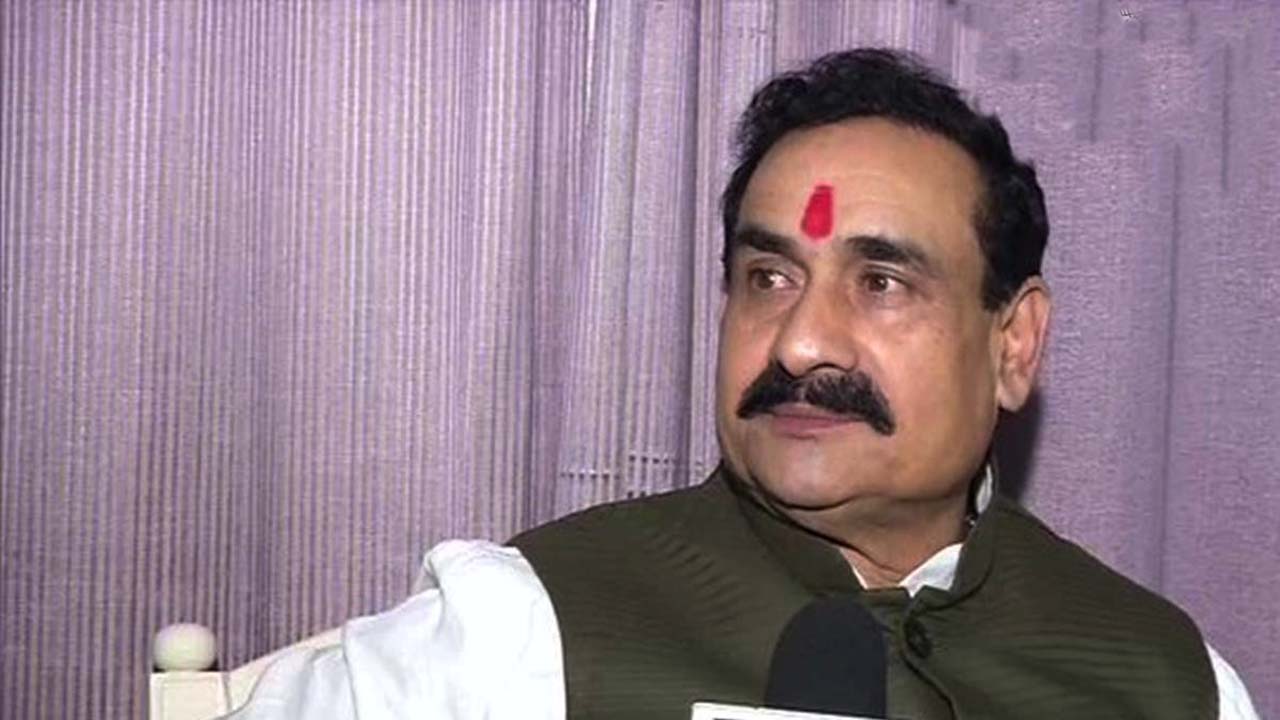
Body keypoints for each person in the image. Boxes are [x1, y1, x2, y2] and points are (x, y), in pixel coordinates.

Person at [228, 48, 1259, 720]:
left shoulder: (1167, 680)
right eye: (768, 277)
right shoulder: (515, 638)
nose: (801, 342)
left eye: (881, 282)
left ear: (1013, 344)